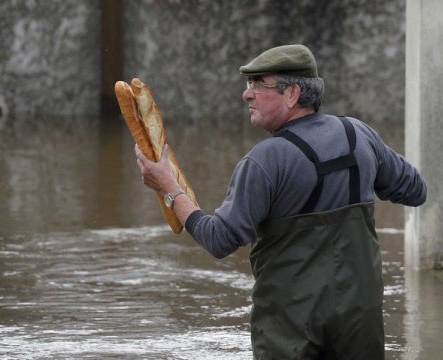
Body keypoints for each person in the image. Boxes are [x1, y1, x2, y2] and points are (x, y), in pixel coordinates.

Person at [135, 44, 426, 359]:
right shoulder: (360, 135)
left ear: (293, 94)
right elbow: (415, 191)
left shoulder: (265, 161)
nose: (247, 95)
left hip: (291, 327)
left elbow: (219, 239)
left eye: (259, 85)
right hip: (360, 318)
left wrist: (168, 188)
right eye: (249, 85)